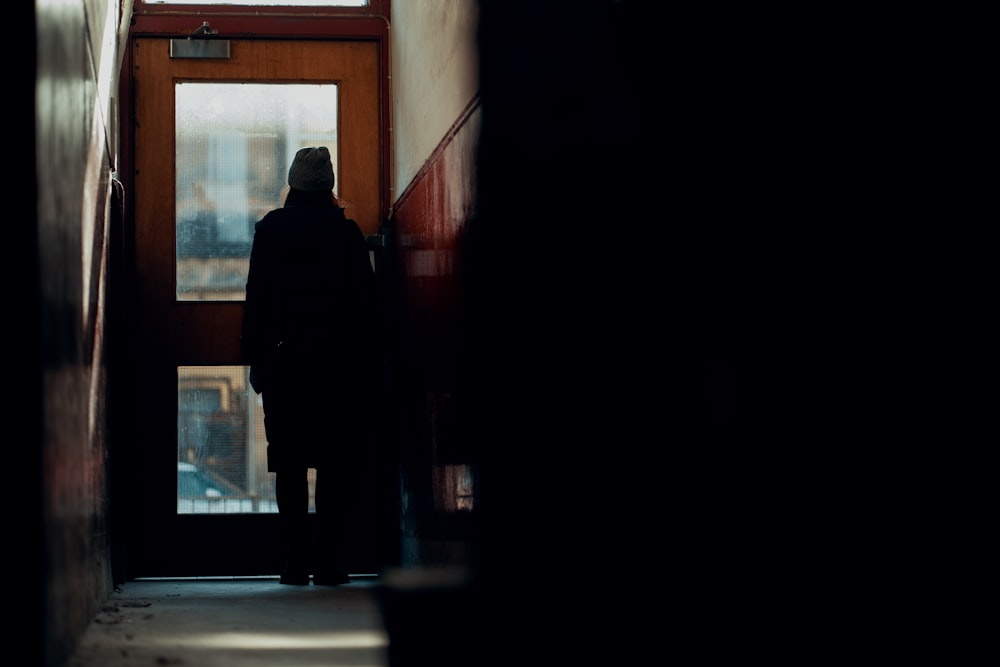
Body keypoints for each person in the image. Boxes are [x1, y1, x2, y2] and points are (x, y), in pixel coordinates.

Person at [241, 146, 377, 585]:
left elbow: (256, 300)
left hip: (285, 365)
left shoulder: (270, 230)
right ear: (329, 186)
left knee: (291, 462)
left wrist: (255, 361)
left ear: (292, 183)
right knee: (335, 463)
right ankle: (329, 562)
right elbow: (365, 306)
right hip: (338, 367)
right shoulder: (347, 235)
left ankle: (296, 561)